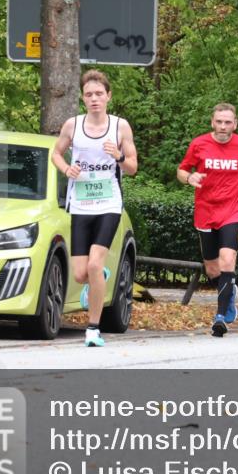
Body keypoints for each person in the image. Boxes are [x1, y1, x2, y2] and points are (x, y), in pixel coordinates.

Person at [52, 70, 138, 347]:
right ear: (82, 98)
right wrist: (67, 168)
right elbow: (55, 153)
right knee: (81, 273)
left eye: (99, 94)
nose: (94, 99)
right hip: (80, 203)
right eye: (89, 94)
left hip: (108, 203)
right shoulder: (72, 125)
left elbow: (133, 167)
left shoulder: (120, 127)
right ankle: (98, 279)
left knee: (93, 263)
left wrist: (119, 156)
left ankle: (93, 329)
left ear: (108, 96)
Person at [177, 103, 238, 337]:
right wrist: (189, 177)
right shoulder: (199, 144)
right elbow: (182, 170)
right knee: (213, 269)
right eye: (219, 122)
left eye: (228, 122)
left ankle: (221, 317)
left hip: (232, 210)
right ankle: (229, 292)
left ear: (235, 124)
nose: (223, 126)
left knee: (227, 259)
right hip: (205, 211)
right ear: (212, 122)